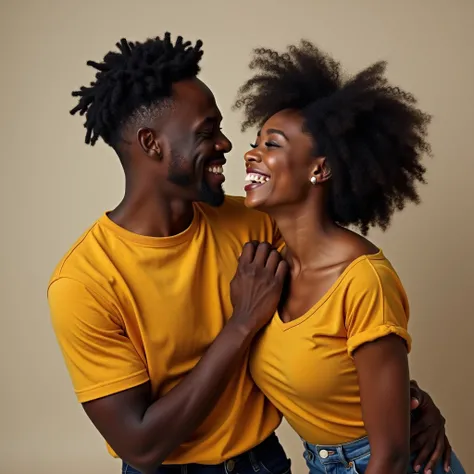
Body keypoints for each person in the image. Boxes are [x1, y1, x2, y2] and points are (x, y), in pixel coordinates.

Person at [48, 33, 452, 474]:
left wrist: (408, 406)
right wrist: (241, 324)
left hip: (265, 462)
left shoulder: (256, 224)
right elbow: (141, 447)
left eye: (222, 128)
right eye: (207, 131)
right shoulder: (83, 281)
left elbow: (341, 323)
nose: (227, 144)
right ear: (152, 144)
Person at [233, 40, 465, 474]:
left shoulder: (362, 280)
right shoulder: (269, 266)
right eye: (256, 142)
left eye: (273, 144)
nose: (252, 153)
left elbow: (392, 457)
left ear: (319, 169)